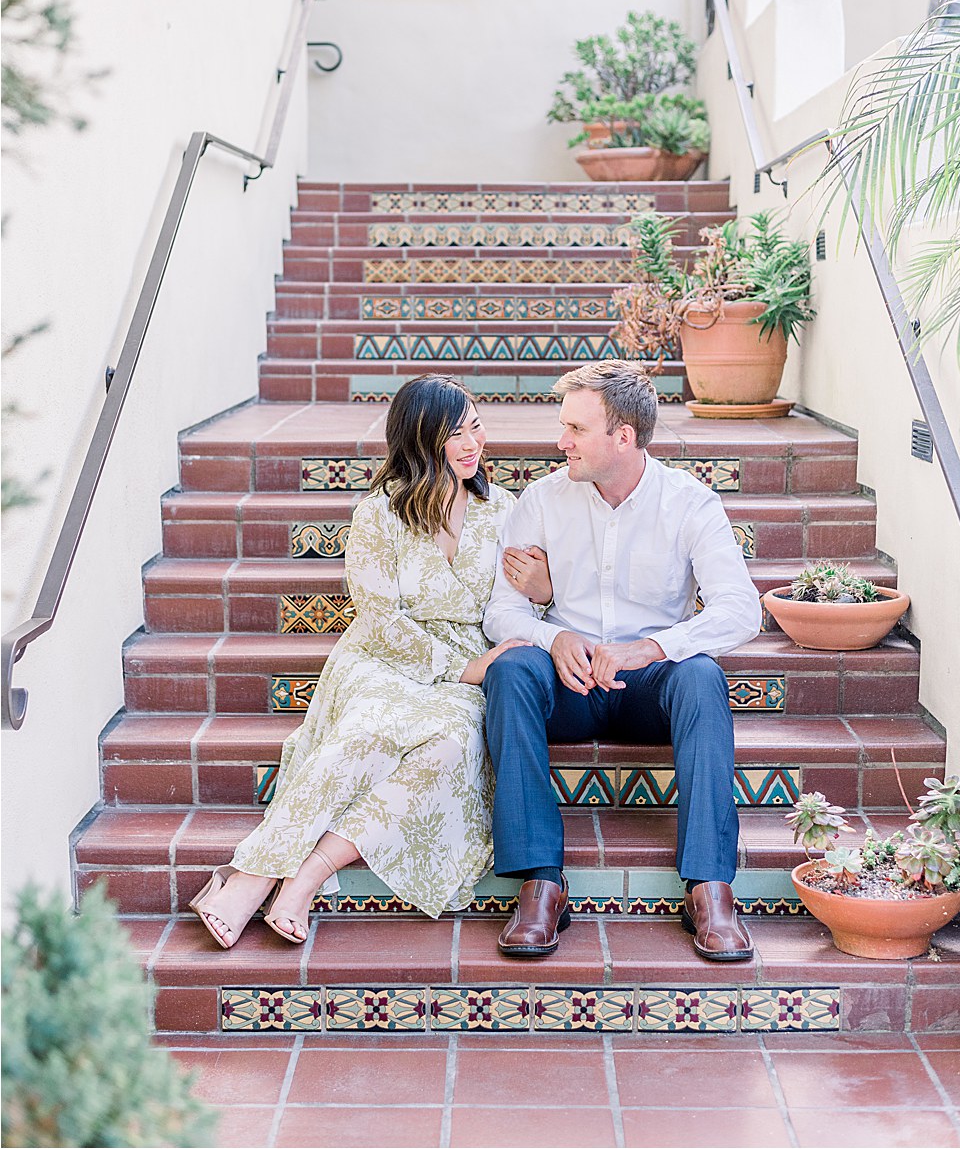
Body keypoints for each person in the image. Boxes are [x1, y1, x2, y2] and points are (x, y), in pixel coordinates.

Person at [190, 374, 550, 947]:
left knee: (454, 746)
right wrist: (456, 669)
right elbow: (379, 616)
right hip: (385, 657)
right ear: (418, 440)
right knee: (366, 733)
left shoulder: (503, 510)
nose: (471, 444)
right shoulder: (379, 514)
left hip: (471, 662)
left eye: (475, 427)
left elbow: (526, 597)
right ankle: (250, 878)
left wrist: (543, 590)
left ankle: (306, 878)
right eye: (452, 434)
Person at [482, 360, 763, 962]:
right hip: (568, 682)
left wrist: (654, 647)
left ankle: (711, 887)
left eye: (577, 430)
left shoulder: (689, 504)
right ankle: (540, 883)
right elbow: (500, 611)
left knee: (703, 676)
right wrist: (551, 638)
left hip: (649, 686)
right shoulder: (541, 500)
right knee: (509, 669)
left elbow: (742, 610)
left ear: (624, 437)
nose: (562, 443)